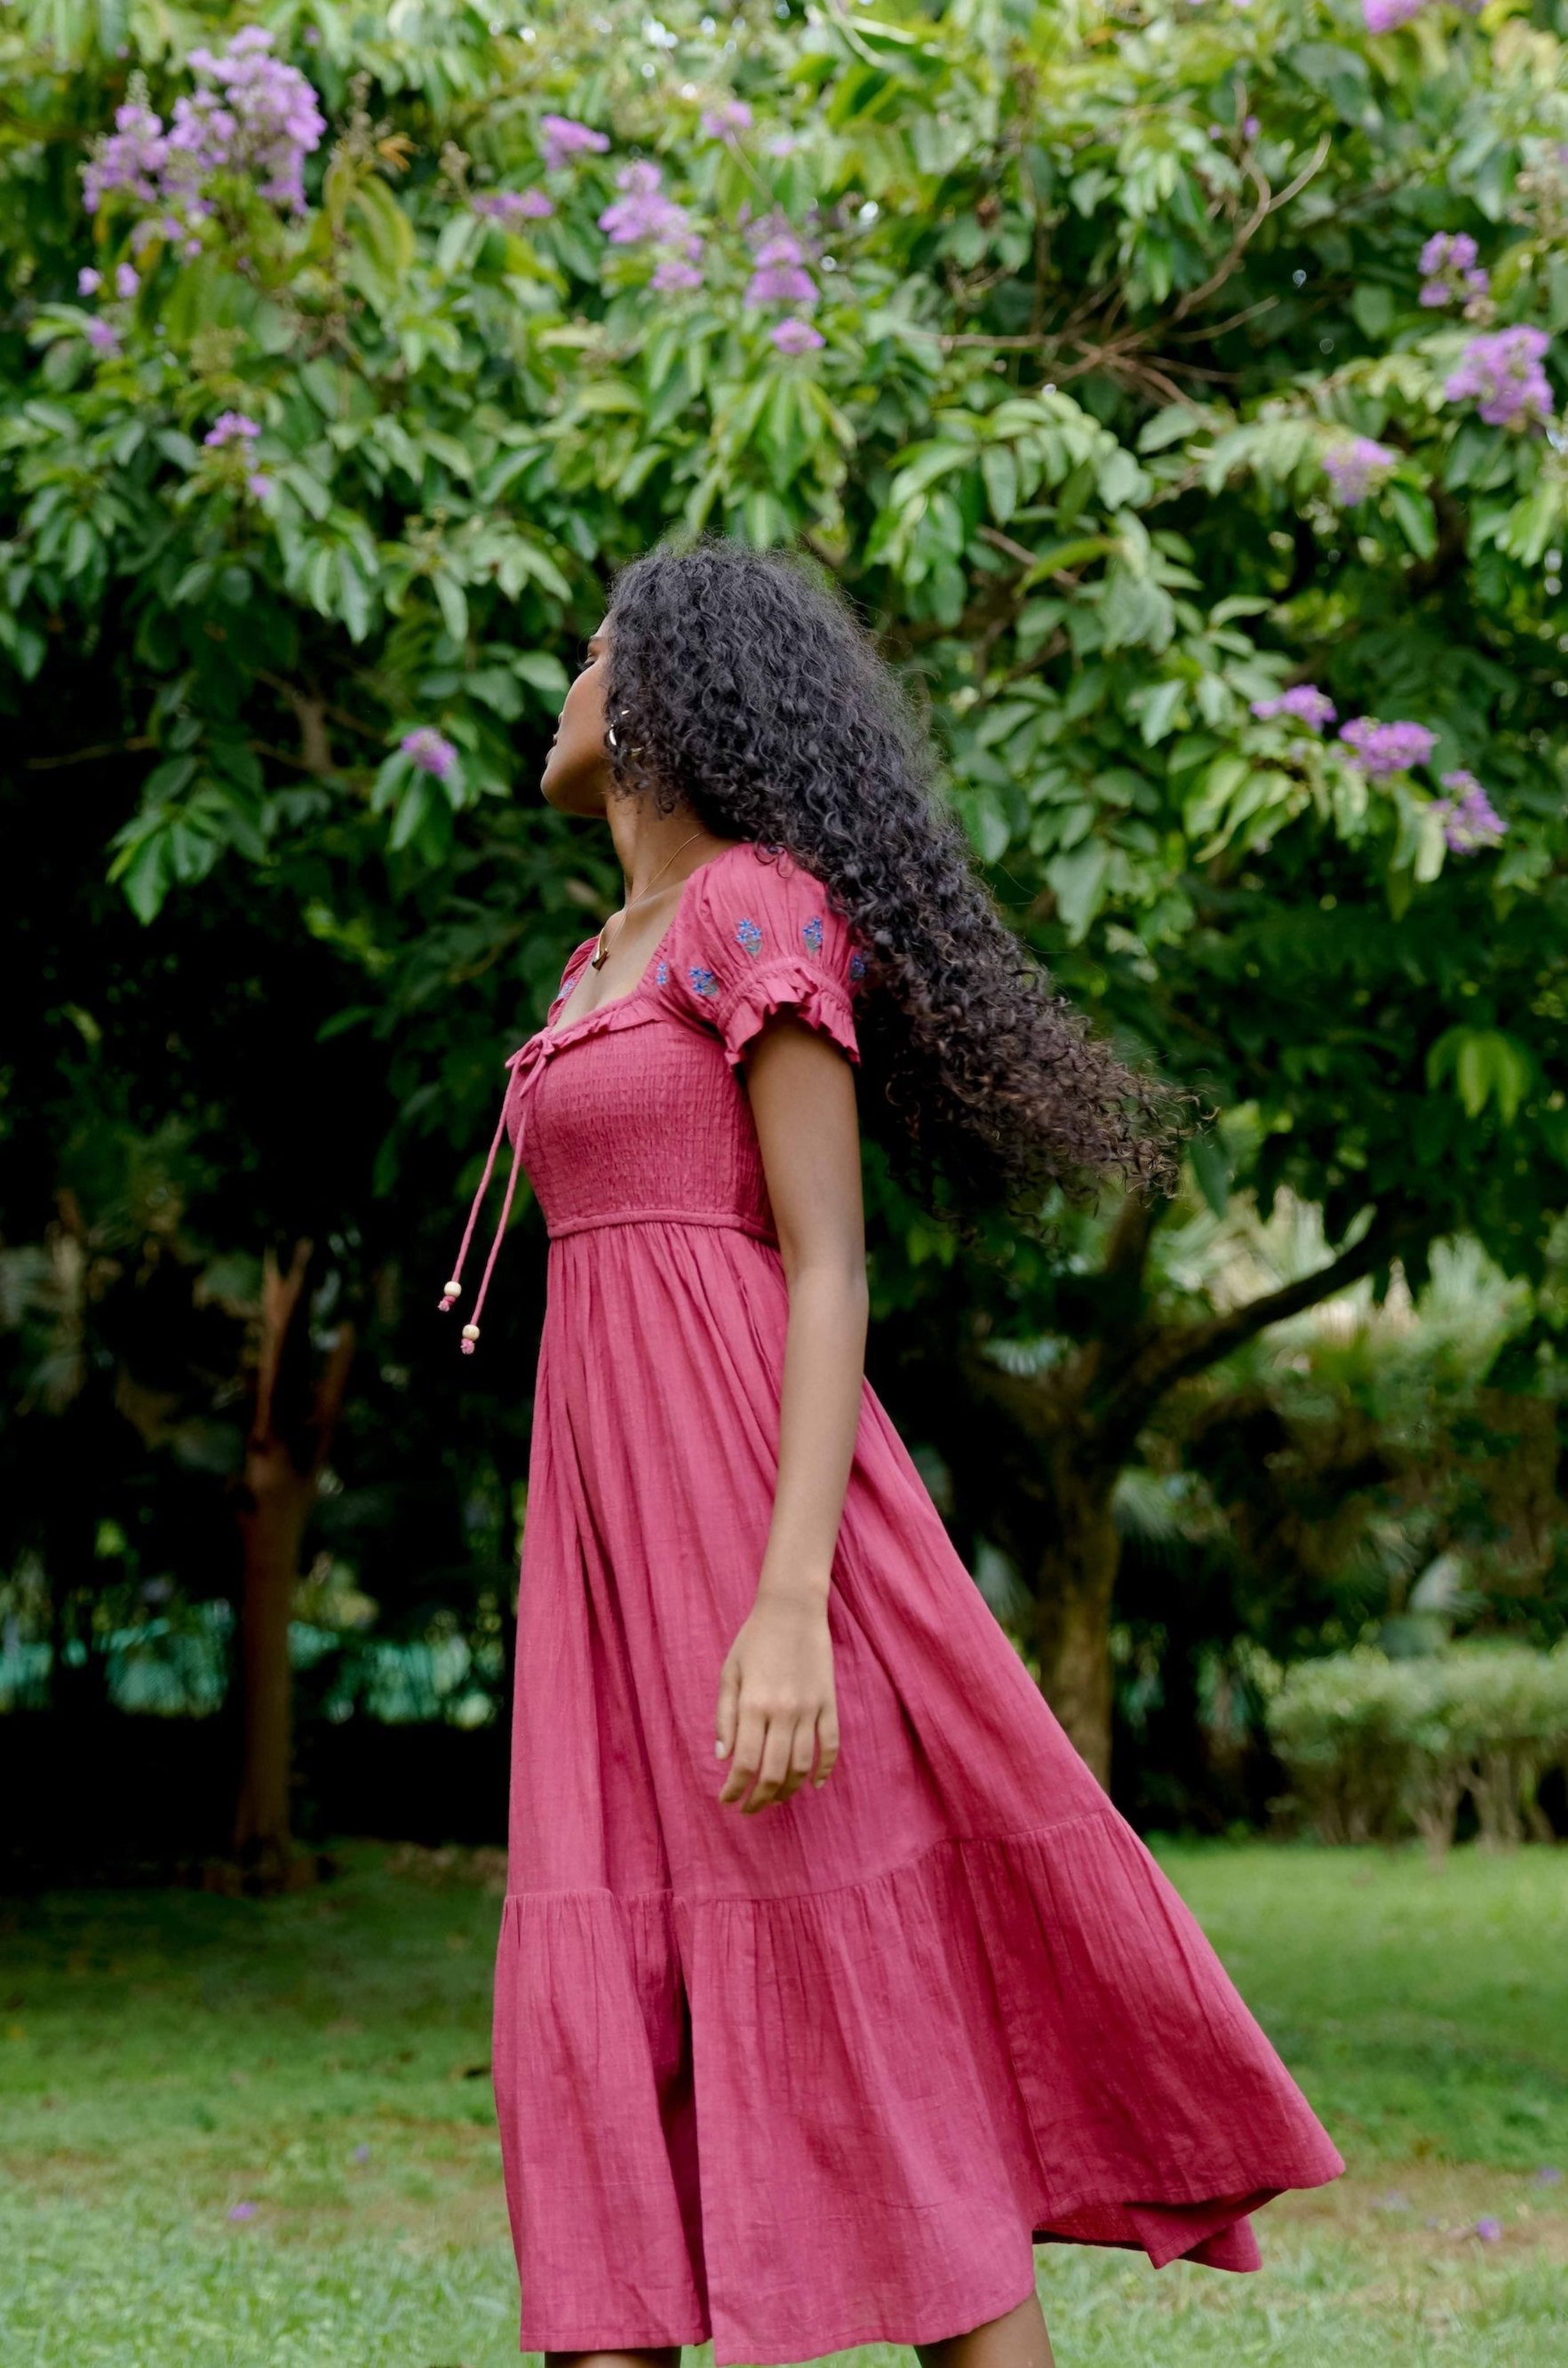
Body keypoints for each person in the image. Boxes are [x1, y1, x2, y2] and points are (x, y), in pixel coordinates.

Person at [438, 542, 1341, 2368]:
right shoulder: (596, 953)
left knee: (843, 1976)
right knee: (598, 1989)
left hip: (755, 1518)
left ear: (667, 698)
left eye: (593, 653)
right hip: (600, 1549)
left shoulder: (754, 909)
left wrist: (787, 1613)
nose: (563, 684)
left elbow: (825, 1260)